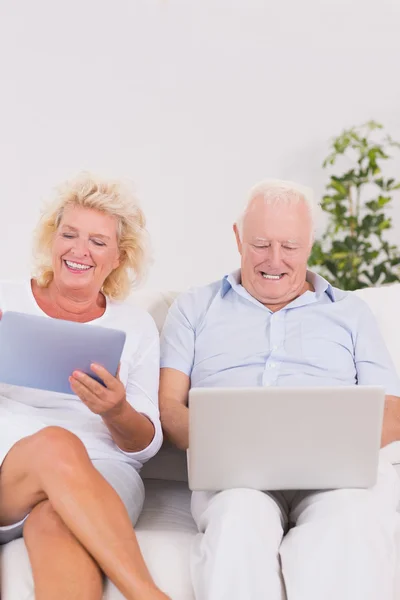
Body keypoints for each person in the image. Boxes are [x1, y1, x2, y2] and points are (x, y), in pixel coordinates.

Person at [159, 179, 400, 600]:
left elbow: (393, 412)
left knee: (350, 524)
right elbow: (168, 410)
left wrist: (321, 448)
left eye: (289, 246)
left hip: (336, 478)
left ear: (310, 244)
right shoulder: (195, 308)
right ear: (237, 238)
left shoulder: (351, 313)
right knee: (238, 522)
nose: (275, 260)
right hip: (235, 479)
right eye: (260, 244)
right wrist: (231, 444)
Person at [0, 172, 170, 600]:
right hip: (10, 474)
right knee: (56, 443)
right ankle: (148, 594)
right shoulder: (6, 303)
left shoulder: (136, 326)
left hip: (103, 475)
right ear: (51, 239)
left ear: (118, 257)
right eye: (69, 234)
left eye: (97, 242)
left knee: (56, 522)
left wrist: (116, 411)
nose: (79, 251)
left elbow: (146, 443)